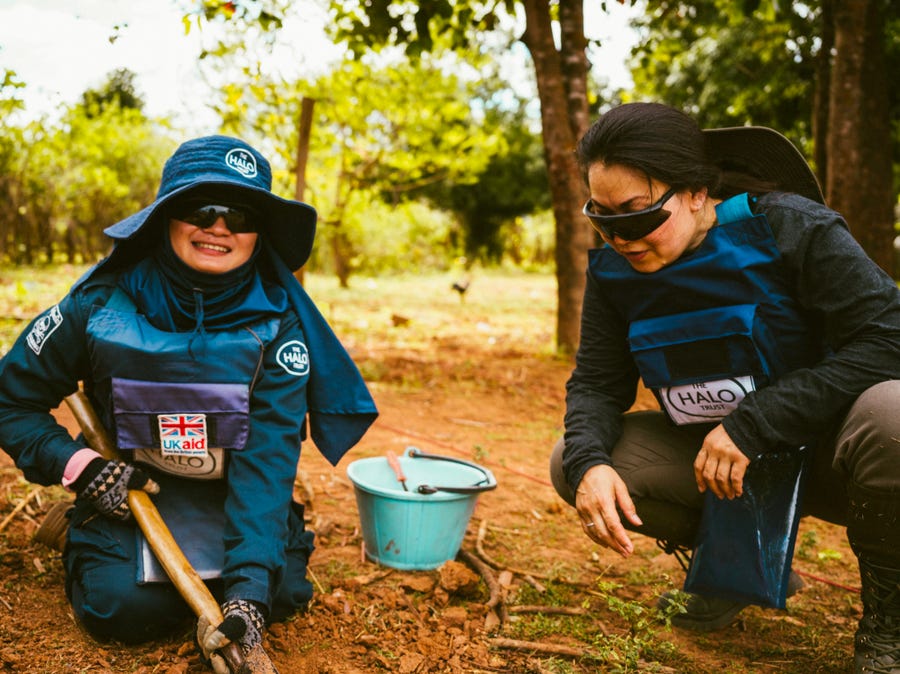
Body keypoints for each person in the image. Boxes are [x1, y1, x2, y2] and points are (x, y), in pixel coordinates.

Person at [549, 102, 900, 673]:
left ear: (695, 191)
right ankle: (731, 567)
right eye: (603, 219)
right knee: (573, 458)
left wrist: (756, 422)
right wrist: (590, 464)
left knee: (895, 416)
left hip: (833, 450)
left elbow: (890, 338)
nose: (622, 238)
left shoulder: (792, 227)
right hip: (718, 466)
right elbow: (595, 383)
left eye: (637, 215)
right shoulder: (615, 276)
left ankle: (890, 623)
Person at [0, 136, 378, 664]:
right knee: (119, 610)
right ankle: (79, 531)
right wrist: (81, 468)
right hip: (130, 490)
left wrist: (247, 596)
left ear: (258, 234)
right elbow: (10, 400)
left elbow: (266, 466)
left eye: (240, 215)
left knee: (280, 596)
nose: (219, 226)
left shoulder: (280, 330)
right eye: (201, 208)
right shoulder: (97, 304)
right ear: (165, 217)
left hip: (232, 491)